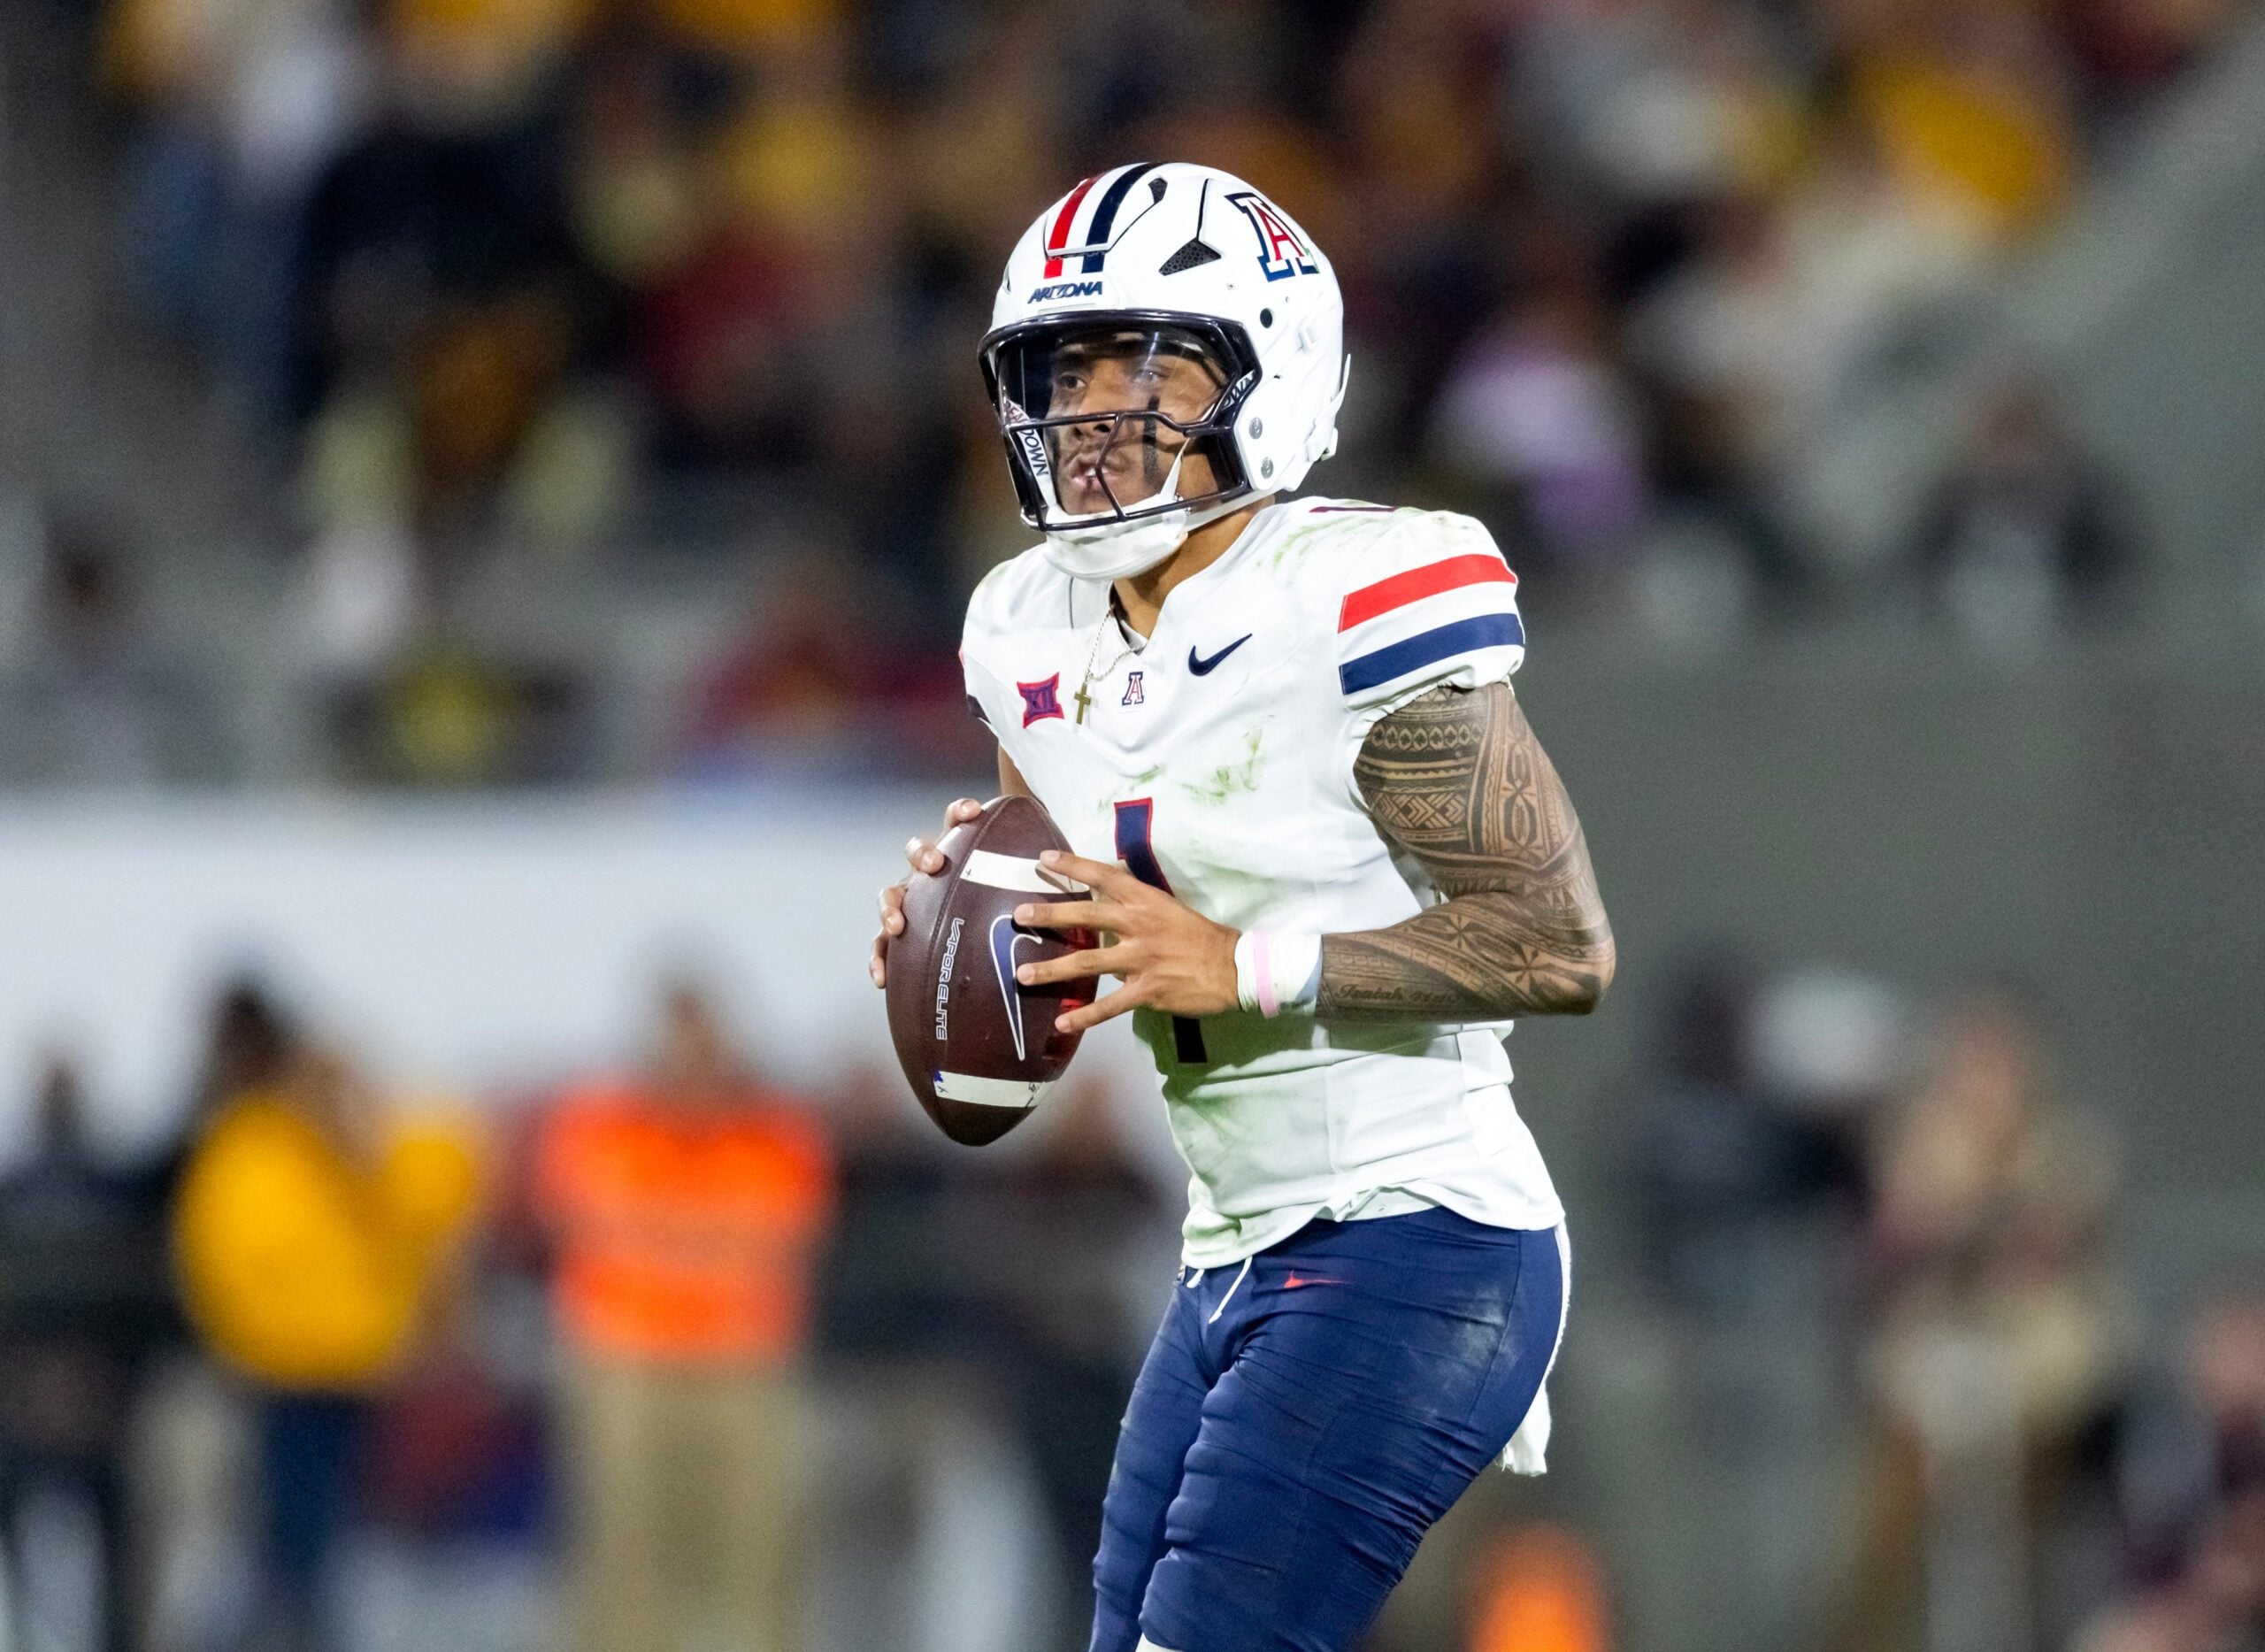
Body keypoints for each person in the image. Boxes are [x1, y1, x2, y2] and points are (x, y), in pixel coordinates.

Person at [871, 162, 1615, 1652]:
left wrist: (1244, 959)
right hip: (1232, 1249)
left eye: (1146, 363)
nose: (1092, 410)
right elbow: (1068, 985)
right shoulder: (1025, 627)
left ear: (1270, 372)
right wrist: (978, 949)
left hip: (1424, 1231)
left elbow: (1559, 945)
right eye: (1061, 368)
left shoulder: (1355, 587)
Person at [531, 981, 833, 1652]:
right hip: (624, 1361)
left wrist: (665, 1238)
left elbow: (786, 1233)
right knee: (624, 1542)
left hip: (742, 1364)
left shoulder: (774, 1132)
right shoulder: (600, 1123)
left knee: (759, 1542)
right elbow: (577, 1218)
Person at [172, 1045, 482, 1652]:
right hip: (279, 1373)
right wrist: (242, 1340)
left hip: (360, 1370)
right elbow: (218, 1255)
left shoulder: (375, 1144)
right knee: (286, 1522)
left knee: (347, 1526)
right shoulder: (253, 1146)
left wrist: (365, 1140)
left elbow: (441, 1202)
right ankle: (276, 1627)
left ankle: (307, 1625)